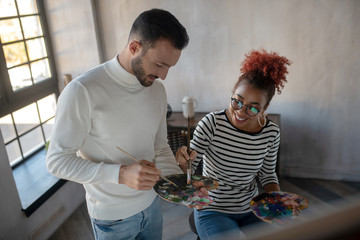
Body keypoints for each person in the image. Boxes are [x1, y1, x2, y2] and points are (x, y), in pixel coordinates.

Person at [47, 9, 194, 240]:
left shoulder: (156, 90)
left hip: (153, 206)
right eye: (159, 64)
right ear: (134, 47)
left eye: (169, 67)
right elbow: (57, 161)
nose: (164, 76)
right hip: (112, 219)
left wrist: (180, 187)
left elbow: (159, 146)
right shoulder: (82, 91)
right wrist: (120, 174)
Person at [176, 49, 292, 239]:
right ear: (232, 94)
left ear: (265, 109)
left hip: (252, 207)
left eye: (253, 108)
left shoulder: (271, 132)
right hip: (213, 209)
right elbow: (190, 166)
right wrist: (183, 164)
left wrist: (277, 201)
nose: (241, 112)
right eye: (237, 101)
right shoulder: (212, 123)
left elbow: (268, 174)